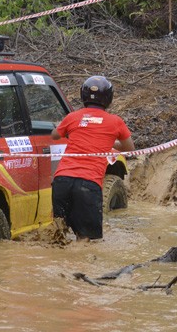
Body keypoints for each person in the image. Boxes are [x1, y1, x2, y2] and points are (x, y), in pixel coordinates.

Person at [51, 75, 134, 240]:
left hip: (61, 182)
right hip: (88, 185)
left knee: (58, 235)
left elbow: (54, 135)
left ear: (83, 95)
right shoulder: (115, 122)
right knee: (87, 241)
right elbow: (129, 149)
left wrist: (70, 128)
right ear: (109, 98)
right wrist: (108, 142)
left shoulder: (73, 117)